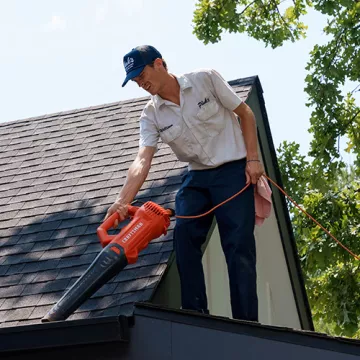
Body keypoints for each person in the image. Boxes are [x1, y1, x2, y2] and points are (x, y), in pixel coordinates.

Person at [104, 45, 264, 322]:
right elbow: (143, 159)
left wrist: (253, 160)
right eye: (135, 80)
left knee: (238, 246)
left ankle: (246, 323)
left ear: (159, 64)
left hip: (233, 172)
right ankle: (195, 314)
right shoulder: (151, 115)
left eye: (142, 75)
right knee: (184, 237)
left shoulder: (205, 79)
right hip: (198, 177)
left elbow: (246, 114)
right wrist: (122, 202)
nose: (141, 83)